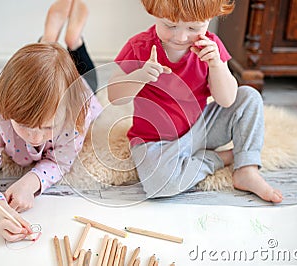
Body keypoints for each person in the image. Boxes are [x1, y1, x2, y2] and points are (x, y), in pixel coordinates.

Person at [107, 0, 283, 203]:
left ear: (210, 19)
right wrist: (140, 76)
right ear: (154, 12)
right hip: (155, 142)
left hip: (200, 128)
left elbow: (227, 100)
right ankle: (220, 158)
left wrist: (217, 66)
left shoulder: (211, 46)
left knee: (249, 97)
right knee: (160, 184)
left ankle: (246, 170)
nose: (181, 37)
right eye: (170, 25)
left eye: (193, 28)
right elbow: (114, 97)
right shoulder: (139, 46)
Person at [0, 43, 102, 242]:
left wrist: (31, 182)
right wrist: (0, 213)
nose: (35, 137)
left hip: (83, 89)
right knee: (44, 62)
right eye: (24, 125)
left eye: (48, 127)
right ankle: (49, 38)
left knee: (90, 79)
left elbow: (60, 162)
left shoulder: (76, 114)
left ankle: (75, 39)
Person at [40, 0, 98, 92]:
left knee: (38, 84)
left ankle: (47, 42)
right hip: (78, 95)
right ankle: (75, 44)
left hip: (47, 94)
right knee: (89, 86)